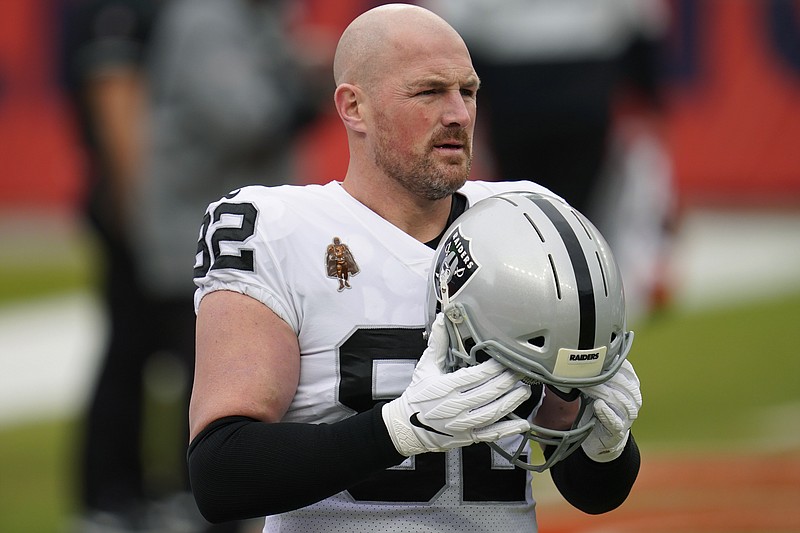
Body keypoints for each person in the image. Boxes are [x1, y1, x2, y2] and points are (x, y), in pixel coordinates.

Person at [187, 4, 642, 532]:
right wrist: (399, 431)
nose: (458, 114)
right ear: (354, 107)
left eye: (467, 92)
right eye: (429, 92)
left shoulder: (527, 220)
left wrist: (594, 438)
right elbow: (221, 473)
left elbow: (597, 495)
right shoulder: (275, 227)